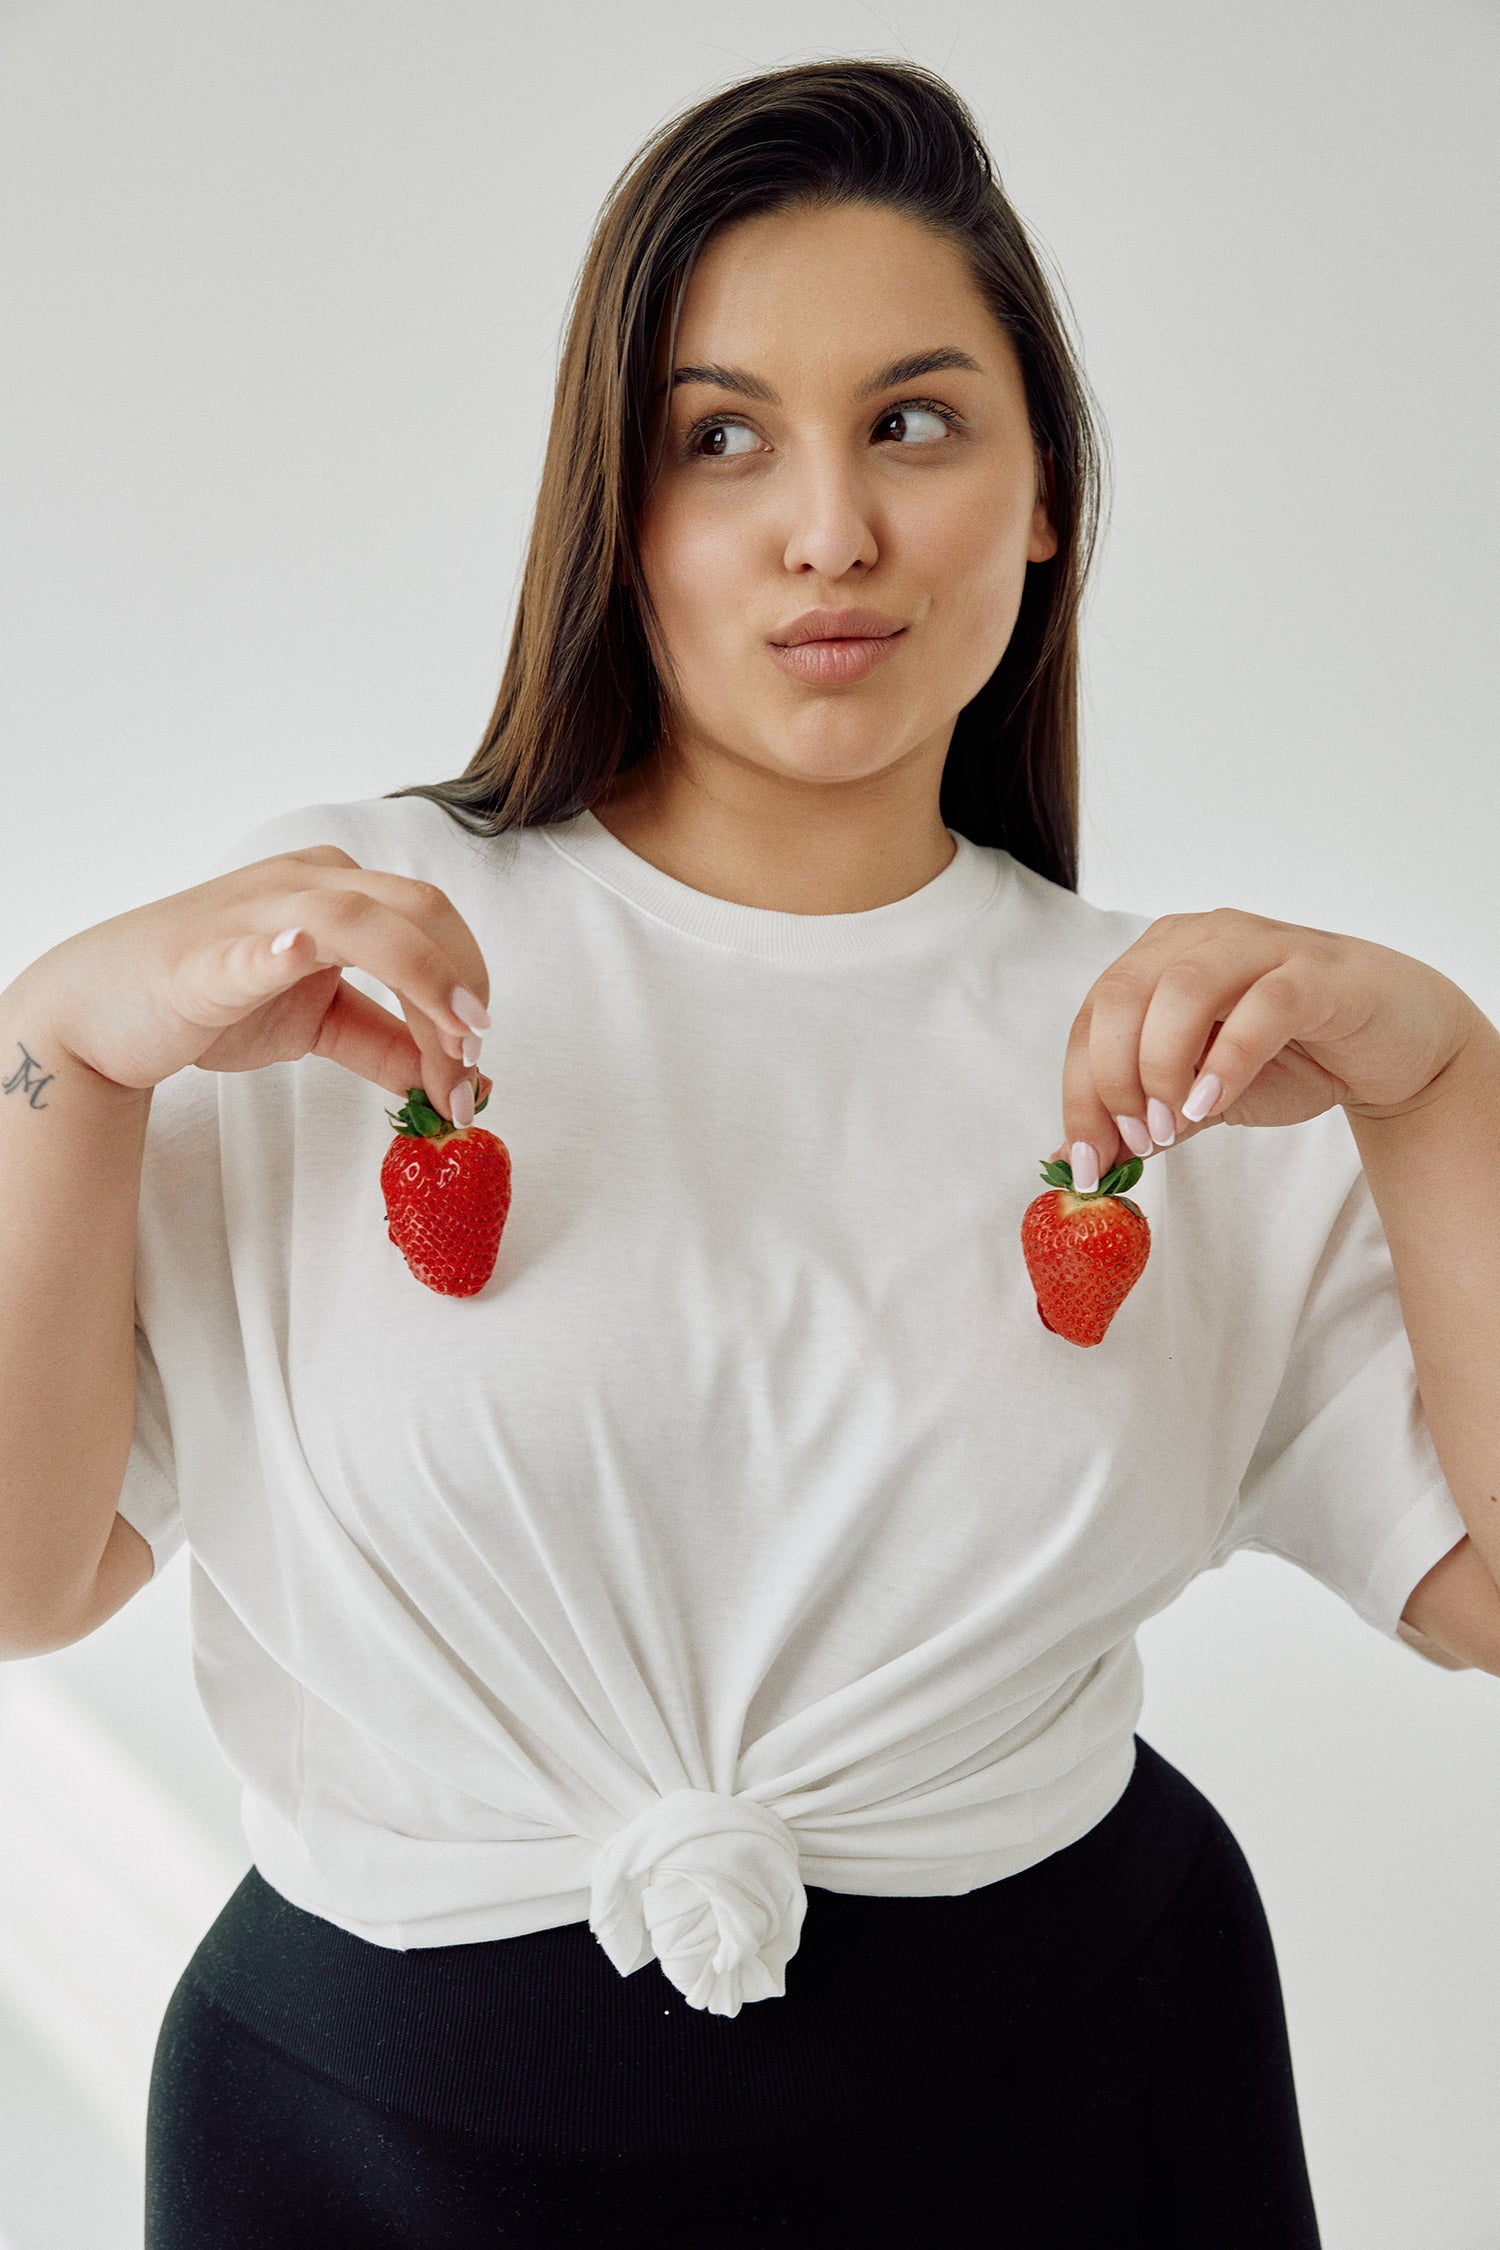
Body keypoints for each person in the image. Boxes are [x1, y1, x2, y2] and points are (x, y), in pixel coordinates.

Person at [3, 55, 1498, 2250]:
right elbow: (26, 1582)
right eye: (723, 439)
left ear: (1047, 493)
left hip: (1077, 2115)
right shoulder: (337, 956)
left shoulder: (1194, 1057)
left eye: (914, 421)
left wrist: (1447, 1083)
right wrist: (62, 1052)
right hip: (370, 2161)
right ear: (617, 508)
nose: (832, 530)